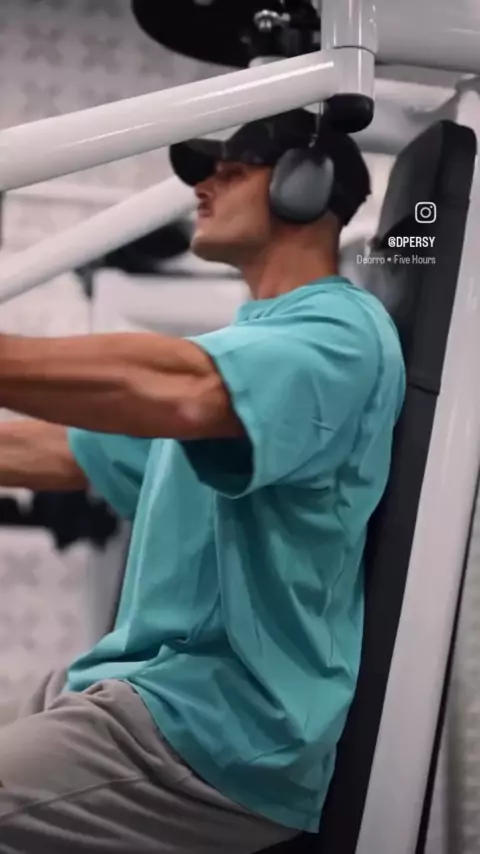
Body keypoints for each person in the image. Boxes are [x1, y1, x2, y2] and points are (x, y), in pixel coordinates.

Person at [0, 108, 405, 853]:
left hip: (219, 731)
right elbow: (67, 450)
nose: (203, 189)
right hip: (138, 694)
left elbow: (179, 391)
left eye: (232, 171)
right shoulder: (255, 341)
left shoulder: (339, 333)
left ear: (304, 185)